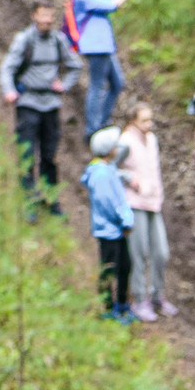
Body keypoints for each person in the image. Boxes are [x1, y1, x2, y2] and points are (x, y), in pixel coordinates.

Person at [0, 1, 81, 216]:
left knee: (49, 156)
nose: (47, 20)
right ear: (34, 15)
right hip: (28, 103)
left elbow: (75, 65)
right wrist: (9, 90)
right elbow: (8, 67)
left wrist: (64, 85)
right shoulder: (24, 40)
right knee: (27, 154)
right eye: (43, 15)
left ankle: (51, 199)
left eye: (50, 15)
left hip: (51, 105)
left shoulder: (58, 40)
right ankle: (29, 202)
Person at [65, 0, 143, 142]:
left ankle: (101, 121)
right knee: (97, 85)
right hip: (95, 46)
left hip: (104, 46)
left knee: (117, 83)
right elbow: (112, 4)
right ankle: (93, 128)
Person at [119, 102, 173, 322]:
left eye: (151, 119)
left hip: (153, 202)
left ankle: (157, 295)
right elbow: (112, 167)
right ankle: (139, 299)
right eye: (145, 120)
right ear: (133, 121)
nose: (150, 124)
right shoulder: (124, 142)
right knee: (138, 253)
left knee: (161, 252)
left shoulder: (152, 140)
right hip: (134, 203)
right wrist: (131, 180)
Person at [83, 127, 133, 321]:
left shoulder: (107, 169)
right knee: (109, 269)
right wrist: (125, 219)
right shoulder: (101, 174)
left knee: (124, 267)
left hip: (117, 231)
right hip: (109, 231)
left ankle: (122, 305)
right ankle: (106, 307)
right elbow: (108, 202)